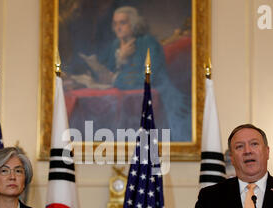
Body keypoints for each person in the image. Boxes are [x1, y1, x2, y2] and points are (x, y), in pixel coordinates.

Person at [69, 6, 192, 141]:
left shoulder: (148, 42)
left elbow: (148, 76)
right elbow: (108, 72)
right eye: (115, 24)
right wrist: (119, 59)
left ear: (133, 24)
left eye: (123, 23)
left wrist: (115, 78)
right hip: (126, 93)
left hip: (161, 94)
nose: (118, 27)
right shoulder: (116, 45)